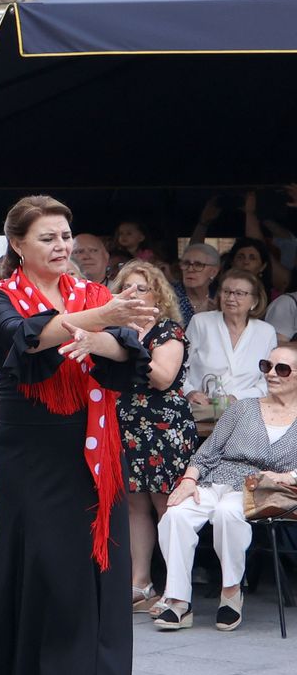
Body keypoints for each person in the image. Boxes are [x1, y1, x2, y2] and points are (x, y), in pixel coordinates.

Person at [0, 195, 153, 675]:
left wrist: (91, 333)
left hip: (93, 444)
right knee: (53, 569)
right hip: (33, 449)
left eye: (65, 236)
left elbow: (127, 354)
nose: (61, 247)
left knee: (98, 567)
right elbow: (25, 340)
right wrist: (96, 325)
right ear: (18, 245)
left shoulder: (92, 292)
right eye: (47, 238)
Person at [155, 348, 297, 633]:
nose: (271, 373)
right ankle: (178, 601)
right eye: (266, 365)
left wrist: (286, 475)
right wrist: (188, 481)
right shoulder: (243, 408)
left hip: (261, 490)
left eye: (281, 369)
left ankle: (231, 592)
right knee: (176, 515)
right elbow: (207, 453)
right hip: (215, 480)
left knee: (227, 512)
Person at [108, 261, 196, 616]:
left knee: (167, 506)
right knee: (133, 504)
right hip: (125, 422)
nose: (133, 294)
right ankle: (140, 582)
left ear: (157, 293)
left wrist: (129, 345)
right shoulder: (115, 329)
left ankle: (177, 590)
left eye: (141, 288)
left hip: (163, 426)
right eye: (126, 288)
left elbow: (162, 377)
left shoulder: (168, 331)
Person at [183, 269, 276, 407]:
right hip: (201, 409)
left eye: (239, 293)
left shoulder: (266, 332)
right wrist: (190, 392)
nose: (231, 298)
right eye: (226, 292)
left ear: (254, 301)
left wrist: (236, 397)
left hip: (246, 411)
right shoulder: (200, 323)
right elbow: (179, 367)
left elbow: (269, 380)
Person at [172, 242, 220, 326]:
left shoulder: (221, 297)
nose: (190, 269)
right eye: (186, 263)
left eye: (198, 265)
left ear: (213, 272)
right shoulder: (169, 295)